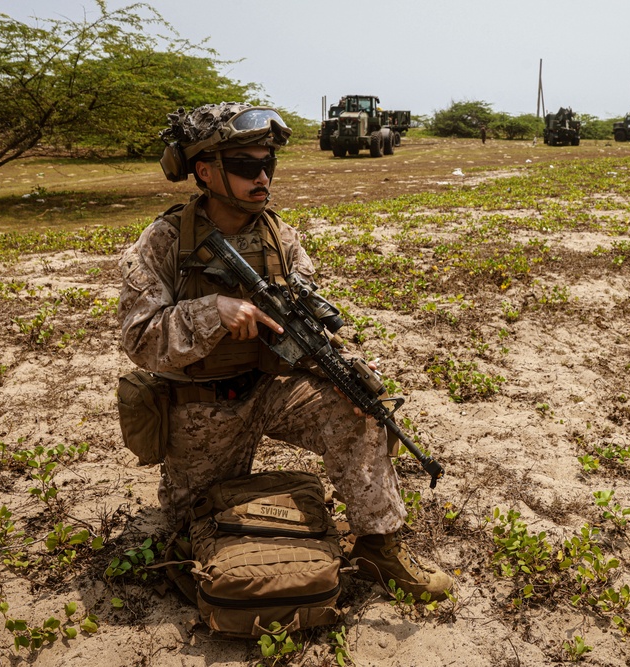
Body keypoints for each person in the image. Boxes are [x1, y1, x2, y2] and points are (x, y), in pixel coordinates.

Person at [118, 102, 453, 599]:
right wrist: (214, 312)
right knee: (191, 533)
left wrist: (346, 367)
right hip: (202, 410)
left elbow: (308, 320)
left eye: (267, 164)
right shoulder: (164, 242)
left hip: (270, 389)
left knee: (358, 408)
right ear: (205, 171)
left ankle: (378, 544)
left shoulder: (280, 236)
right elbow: (140, 338)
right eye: (246, 166)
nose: (262, 177)